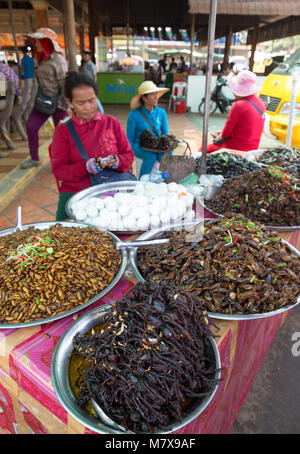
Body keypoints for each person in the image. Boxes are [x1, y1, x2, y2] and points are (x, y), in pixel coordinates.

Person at [50, 72, 135, 221]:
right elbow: (59, 171)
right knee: (62, 231)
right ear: (70, 102)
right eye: (80, 103)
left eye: (92, 100)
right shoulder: (62, 131)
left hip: (112, 186)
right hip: (77, 191)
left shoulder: (111, 123)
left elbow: (128, 156)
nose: (88, 107)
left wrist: (115, 161)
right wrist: (85, 167)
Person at [20, 27, 69, 169]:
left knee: (62, 135)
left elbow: (64, 84)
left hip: (59, 103)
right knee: (31, 126)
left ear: (47, 43)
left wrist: (68, 105)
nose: (37, 44)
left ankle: (62, 162)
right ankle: (34, 159)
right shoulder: (39, 58)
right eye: (36, 41)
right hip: (43, 101)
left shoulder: (59, 60)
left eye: (40, 41)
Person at [199, 70, 266, 154]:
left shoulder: (238, 105)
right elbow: (247, 128)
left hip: (236, 148)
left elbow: (226, 134)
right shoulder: (261, 103)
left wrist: (221, 135)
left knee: (202, 150)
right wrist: (222, 133)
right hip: (252, 149)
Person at [127, 81, 169, 178]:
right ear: (144, 98)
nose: (156, 97)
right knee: (151, 156)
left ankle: (163, 181)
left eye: (156, 94)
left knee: (164, 155)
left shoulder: (161, 112)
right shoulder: (134, 115)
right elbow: (130, 137)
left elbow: (165, 133)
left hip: (156, 145)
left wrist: (168, 146)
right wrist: (128, 157)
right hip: (139, 146)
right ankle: (142, 183)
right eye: (152, 94)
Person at [12, 46, 35, 140]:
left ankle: (23, 112)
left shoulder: (24, 59)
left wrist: (21, 73)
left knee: (25, 99)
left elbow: (21, 69)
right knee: (29, 98)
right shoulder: (30, 59)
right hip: (32, 79)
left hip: (26, 79)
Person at [0, 60, 22, 150]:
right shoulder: (7, 68)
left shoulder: (0, 73)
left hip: (7, 101)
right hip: (16, 98)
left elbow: (1, 93)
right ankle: (8, 131)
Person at [79, 49, 104, 114]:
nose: (84, 57)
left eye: (86, 56)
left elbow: (95, 76)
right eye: (83, 56)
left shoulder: (92, 65)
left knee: (94, 98)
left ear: (89, 57)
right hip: (85, 84)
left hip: (91, 85)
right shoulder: (84, 64)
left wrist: (94, 85)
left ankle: (101, 112)